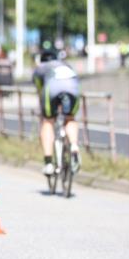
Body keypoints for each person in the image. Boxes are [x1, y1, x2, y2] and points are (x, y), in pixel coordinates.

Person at [33, 46, 81, 175]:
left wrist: (43, 112)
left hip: (52, 89)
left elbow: (40, 90)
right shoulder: (66, 65)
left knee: (48, 122)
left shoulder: (41, 68)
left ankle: (48, 162)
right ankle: (74, 146)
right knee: (70, 118)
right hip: (73, 88)